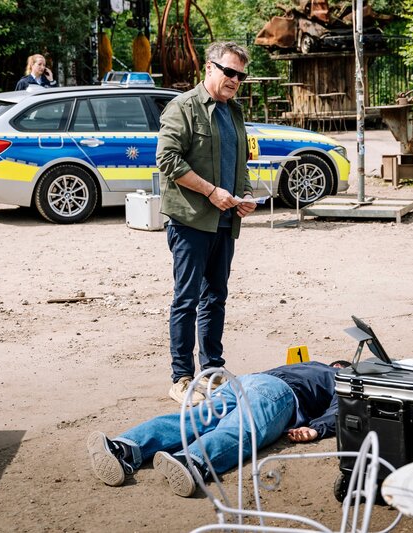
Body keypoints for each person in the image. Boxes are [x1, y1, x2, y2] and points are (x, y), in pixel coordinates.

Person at [156, 41, 256, 404]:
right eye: (229, 72)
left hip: (224, 222)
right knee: (187, 299)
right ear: (209, 69)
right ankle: (181, 377)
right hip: (191, 221)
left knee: (216, 298)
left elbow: (238, 163)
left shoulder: (233, 112)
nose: (235, 80)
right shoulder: (183, 107)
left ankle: (212, 372)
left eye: (240, 75)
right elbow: (167, 160)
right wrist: (212, 192)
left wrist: (242, 195)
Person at [86, 360, 350, 497]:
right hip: (278, 393)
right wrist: (317, 429)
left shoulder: (305, 365)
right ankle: (193, 461)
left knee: (195, 419)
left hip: (244, 381)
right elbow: (341, 409)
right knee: (243, 429)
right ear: (341, 368)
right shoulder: (338, 376)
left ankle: (123, 447)